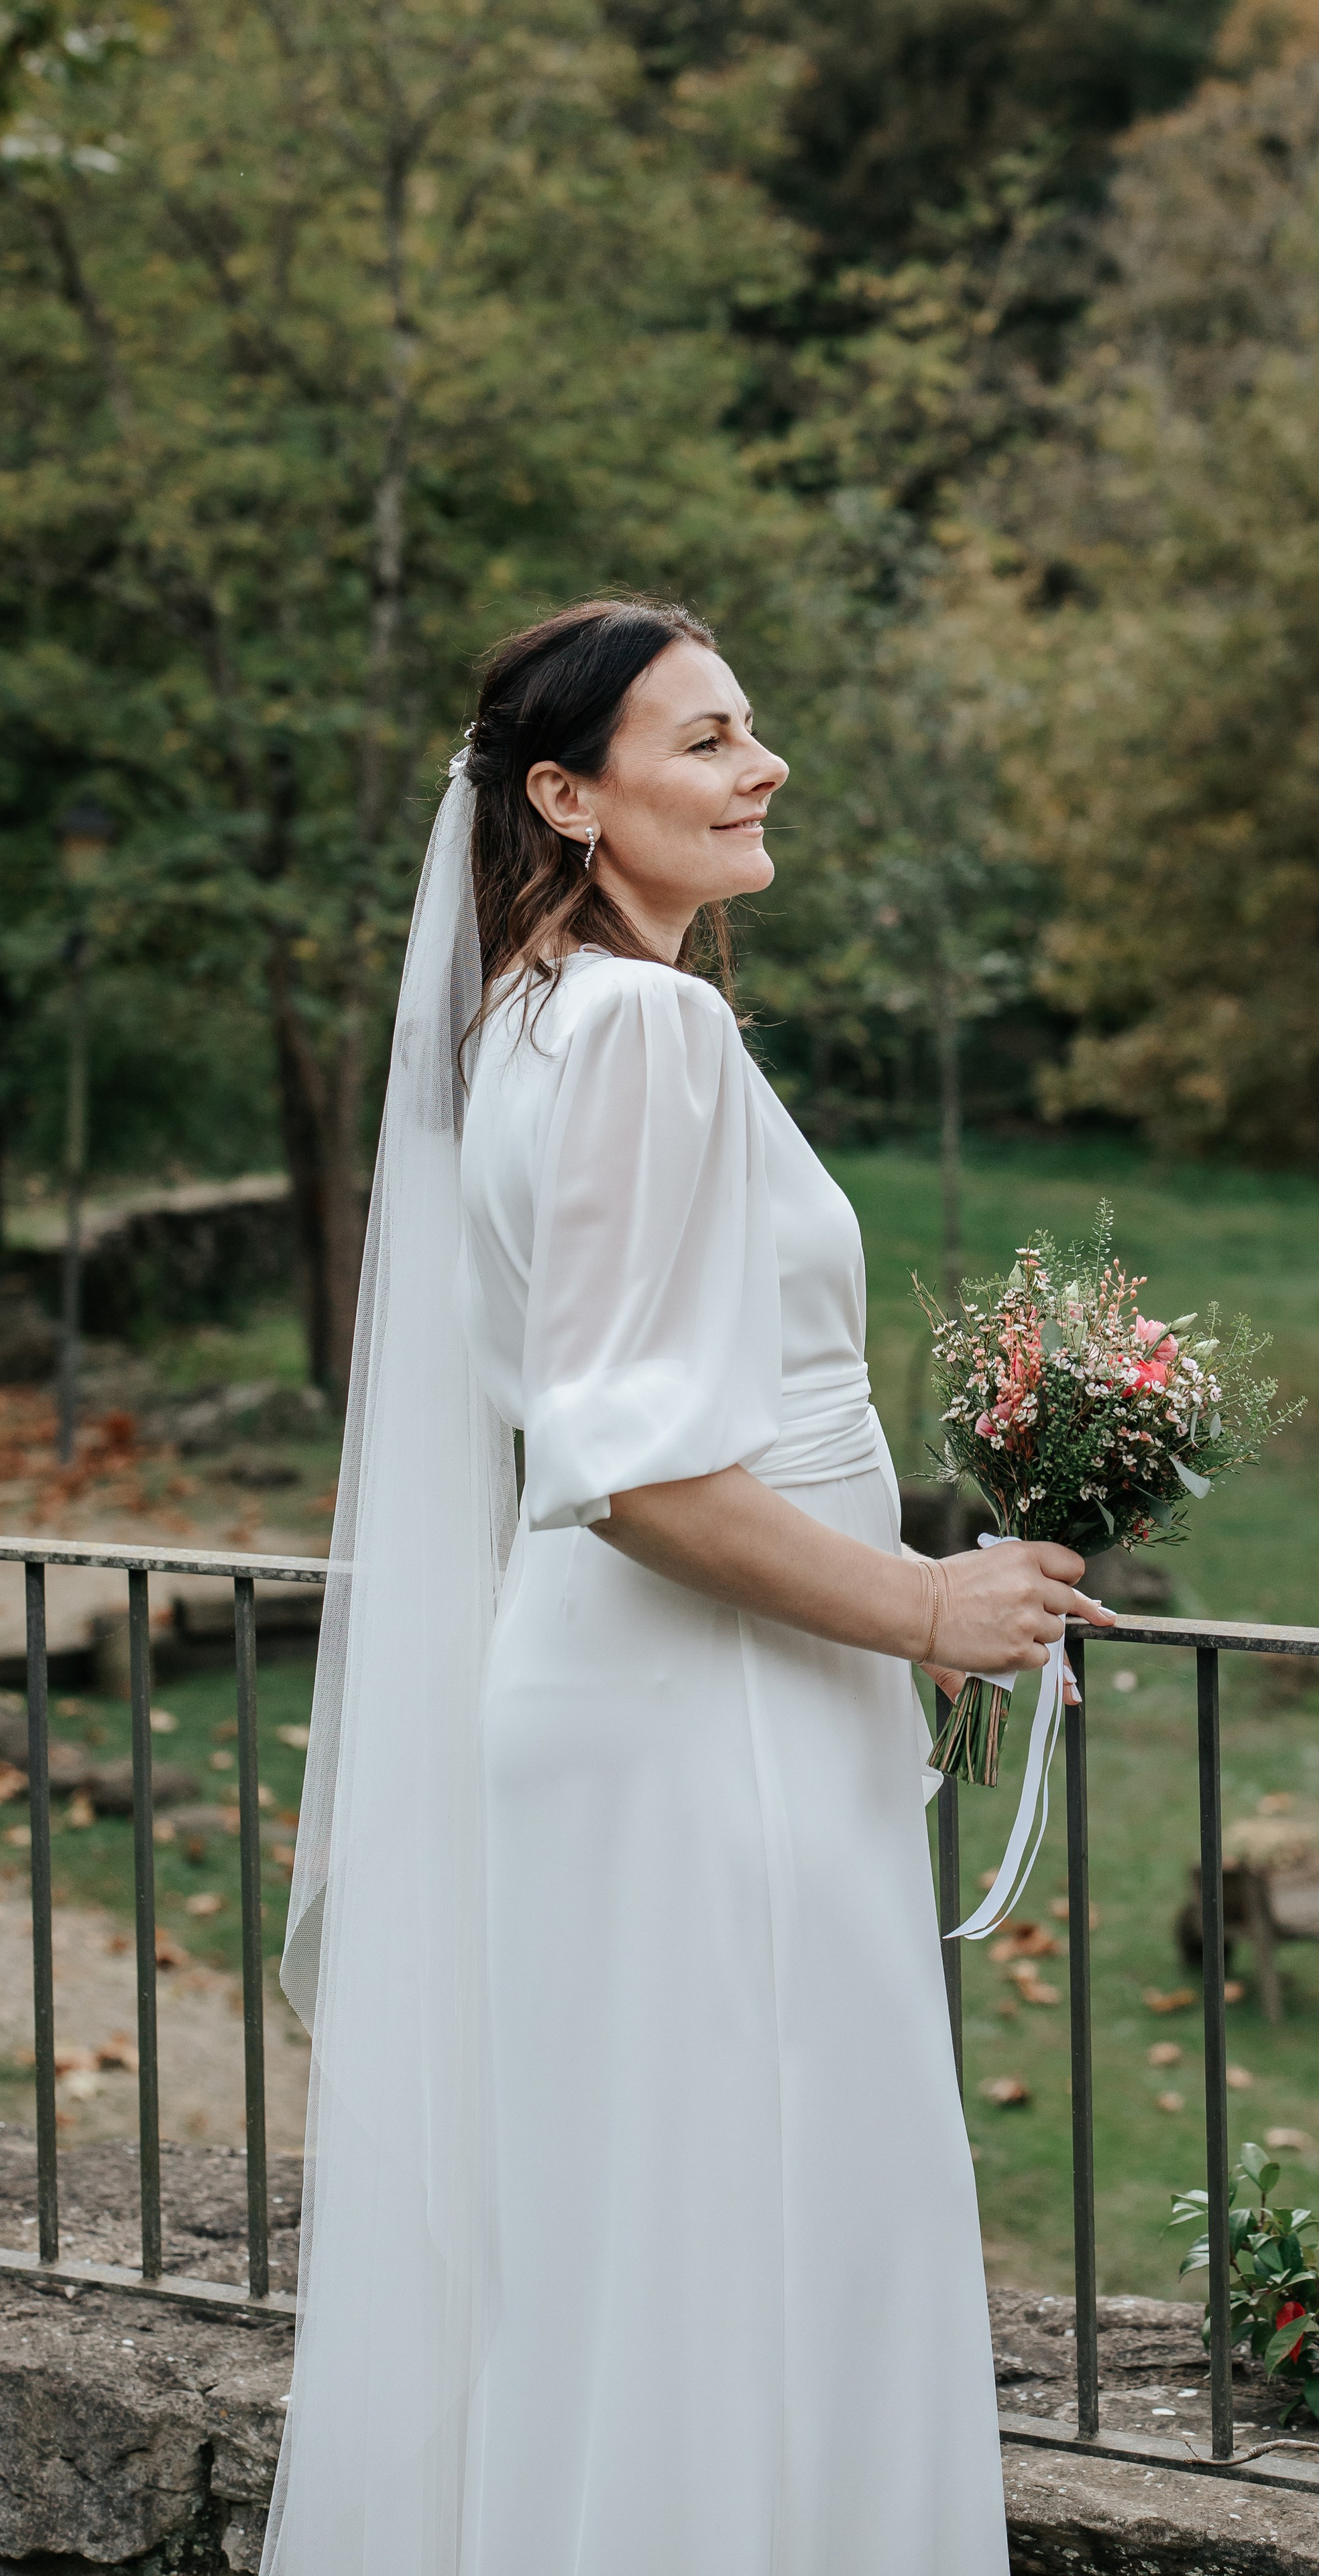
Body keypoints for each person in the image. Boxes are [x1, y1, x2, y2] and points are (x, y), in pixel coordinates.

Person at [262, 597, 1112, 2575]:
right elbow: (635, 1474)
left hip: (645, 1708)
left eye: (752, 728)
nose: (764, 765)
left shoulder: (530, 1019)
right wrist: (927, 1608)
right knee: (762, 2238)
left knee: (653, 2250)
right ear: (568, 797)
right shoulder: (645, 1027)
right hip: (703, 1720)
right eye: (708, 739)